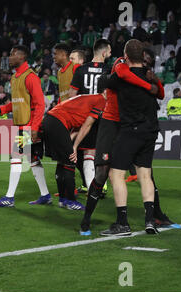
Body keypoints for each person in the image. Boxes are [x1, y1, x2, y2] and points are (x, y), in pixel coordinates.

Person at [73, 51, 179, 236]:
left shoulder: (140, 71)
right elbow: (115, 76)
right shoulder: (121, 67)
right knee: (103, 173)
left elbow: (158, 92)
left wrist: (153, 83)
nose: (144, 62)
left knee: (145, 172)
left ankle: (155, 216)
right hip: (111, 123)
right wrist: (148, 84)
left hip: (130, 125)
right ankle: (87, 218)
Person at [97, 39, 163, 236]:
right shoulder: (150, 75)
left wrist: (113, 69)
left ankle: (122, 223)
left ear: (125, 56)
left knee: (115, 174)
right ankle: (150, 220)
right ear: (143, 56)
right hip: (151, 130)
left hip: (131, 130)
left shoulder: (120, 76)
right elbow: (159, 93)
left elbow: (103, 82)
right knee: (145, 174)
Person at [0, 45, 50, 207]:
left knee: (16, 157)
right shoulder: (16, 77)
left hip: (29, 126)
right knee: (33, 160)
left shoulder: (30, 77)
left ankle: (9, 198)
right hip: (24, 125)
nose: (9, 57)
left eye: (12, 54)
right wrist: (1, 109)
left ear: (22, 57)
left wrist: (35, 127)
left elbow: (40, 104)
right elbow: (17, 103)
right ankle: (45, 195)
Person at [44, 94, 107, 210]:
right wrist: (75, 147)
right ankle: (71, 201)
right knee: (70, 161)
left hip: (50, 120)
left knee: (62, 162)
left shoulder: (87, 99)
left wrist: (71, 143)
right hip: (57, 122)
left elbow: (76, 128)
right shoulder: (101, 100)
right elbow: (86, 126)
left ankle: (63, 200)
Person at [69, 39, 112, 193]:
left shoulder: (80, 70)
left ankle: (91, 187)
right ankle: (98, 186)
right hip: (104, 115)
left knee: (87, 153)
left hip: (85, 115)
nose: (111, 53)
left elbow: (72, 95)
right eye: (110, 50)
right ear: (104, 52)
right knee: (102, 153)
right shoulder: (109, 70)